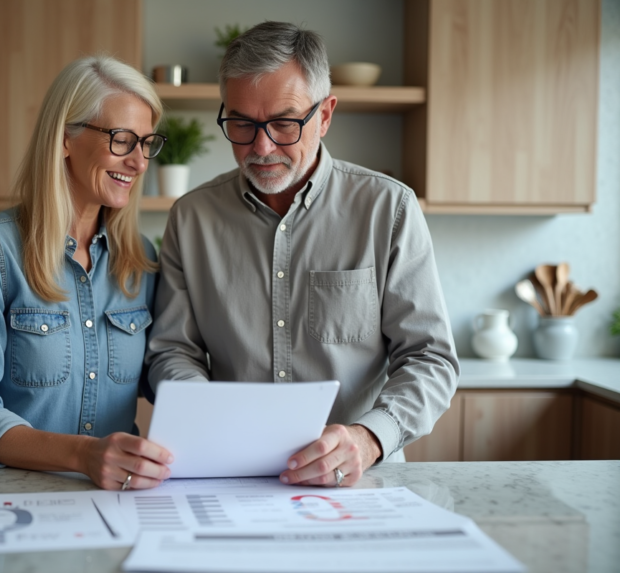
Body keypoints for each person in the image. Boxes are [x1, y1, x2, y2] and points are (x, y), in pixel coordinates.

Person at [146, 22, 459, 487]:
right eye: (241, 124)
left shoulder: (388, 208)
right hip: (232, 477)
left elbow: (430, 357)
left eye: (284, 123)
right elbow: (173, 350)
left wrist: (369, 437)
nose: (262, 146)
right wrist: (206, 417)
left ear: (326, 114)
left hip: (360, 478)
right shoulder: (191, 218)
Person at [0, 56, 173, 491]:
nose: (139, 163)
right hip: (8, 500)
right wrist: (84, 455)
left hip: (114, 498)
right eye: (123, 140)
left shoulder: (139, 258)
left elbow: (163, 373)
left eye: (147, 143)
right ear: (65, 137)